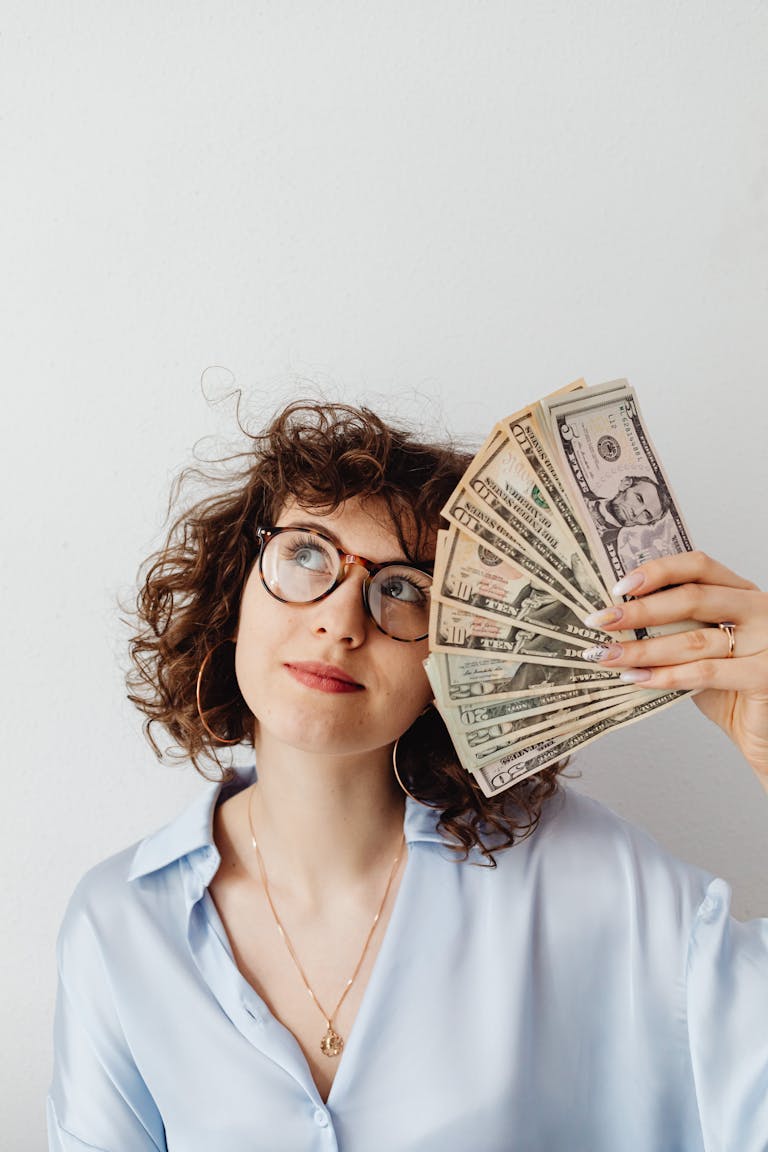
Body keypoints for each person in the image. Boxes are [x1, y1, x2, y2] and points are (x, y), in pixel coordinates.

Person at [47, 401, 768, 1152]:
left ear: (454, 662)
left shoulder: (583, 874)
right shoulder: (119, 922)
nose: (340, 622)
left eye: (402, 589)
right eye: (303, 556)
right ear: (235, 595)